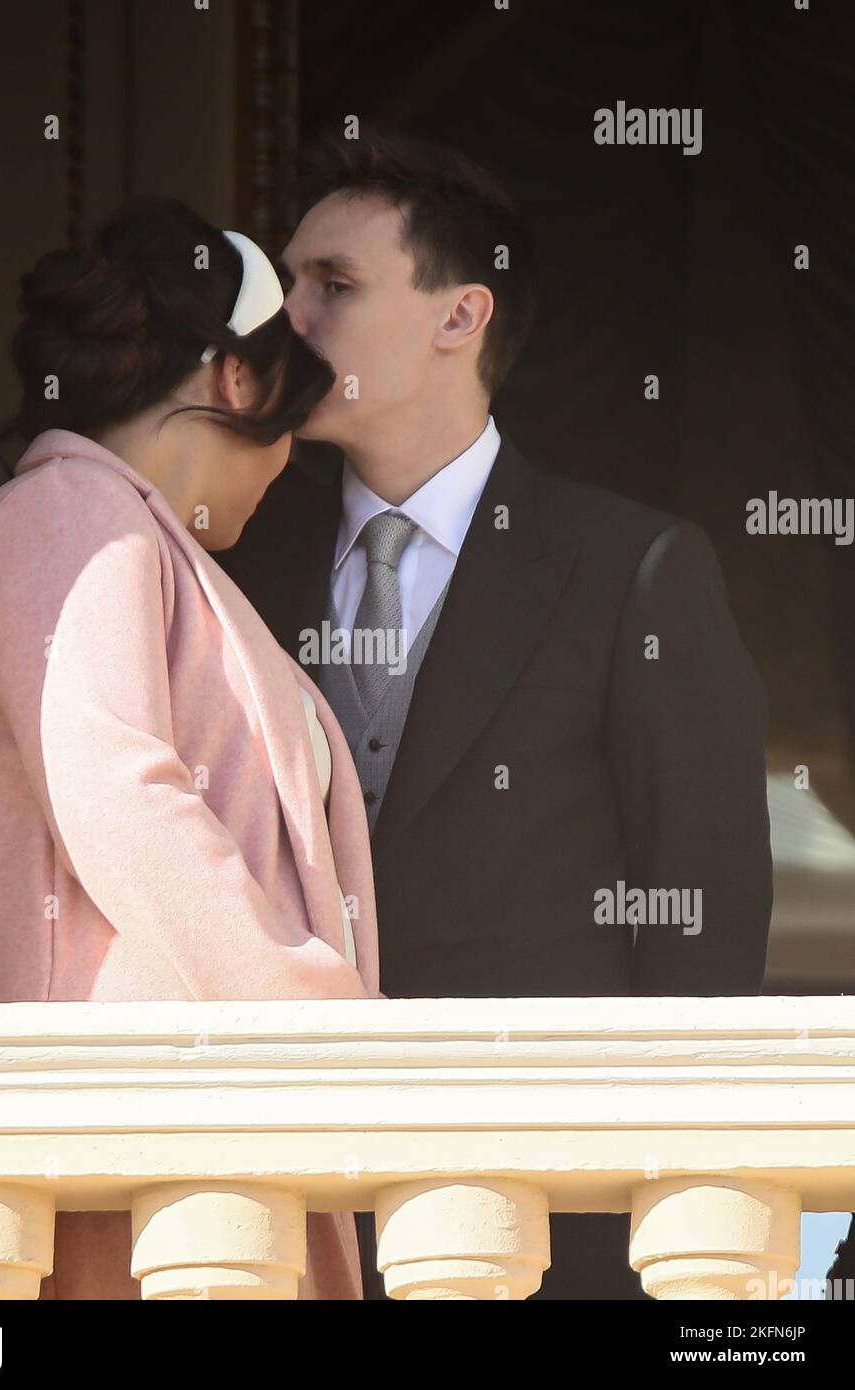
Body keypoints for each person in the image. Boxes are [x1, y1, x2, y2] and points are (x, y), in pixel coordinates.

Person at [219, 129, 774, 1300]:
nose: (291, 320)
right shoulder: (232, 567)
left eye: (334, 285)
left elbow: (702, 932)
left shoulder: (632, 568)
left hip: (549, 1228)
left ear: (457, 317)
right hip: (281, 1215)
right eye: (288, 284)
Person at [0, 195, 383, 1300]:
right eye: (288, 420)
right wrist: (327, 1023)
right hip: (136, 1161)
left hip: (195, 1152)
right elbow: (120, 793)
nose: (285, 467)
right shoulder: (69, 514)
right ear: (233, 381)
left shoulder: (127, 532)